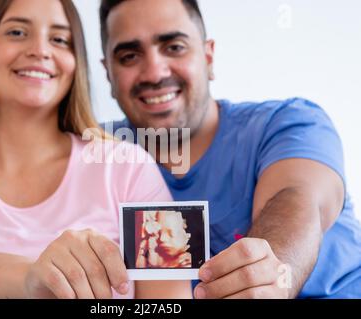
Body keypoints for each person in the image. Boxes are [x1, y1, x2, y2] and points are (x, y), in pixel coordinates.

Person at [0, 0, 192, 299]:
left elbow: (169, 303)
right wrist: (34, 277)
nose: (40, 50)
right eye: (17, 32)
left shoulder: (132, 166)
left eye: (59, 39)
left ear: (76, 63)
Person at [99, 0, 361, 298]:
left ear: (208, 57)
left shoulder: (287, 123)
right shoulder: (92, 153)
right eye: (129, 56)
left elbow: (296, 200)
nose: (155, 73)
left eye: (174, 47)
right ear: (108, 72)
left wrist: (272, 273)